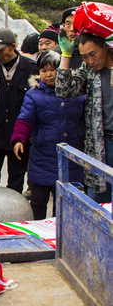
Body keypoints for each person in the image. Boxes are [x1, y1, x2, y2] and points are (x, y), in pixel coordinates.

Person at [12, 51, 85, 219]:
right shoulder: (34, 94)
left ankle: (60, 237)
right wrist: (19, 139)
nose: (49, 74)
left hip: (71, 155)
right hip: (43, 155)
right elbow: (25, 119)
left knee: (65, 203)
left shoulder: (76, 92)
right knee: (38, 201)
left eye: (54, 69)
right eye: (44, 70)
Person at [56, 31, 113, 202]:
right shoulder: (89, 70)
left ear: (105, 47)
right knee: (98, 201)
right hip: (101, 144)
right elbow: (63, 90)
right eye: (84, 57)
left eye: (93, 55)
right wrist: (66, 55)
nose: (90, 61)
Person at [0, 28, 38, 193]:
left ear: (13, 46)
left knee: (16, 179)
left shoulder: (32, 68)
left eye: (0, 50)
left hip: (19, 136)